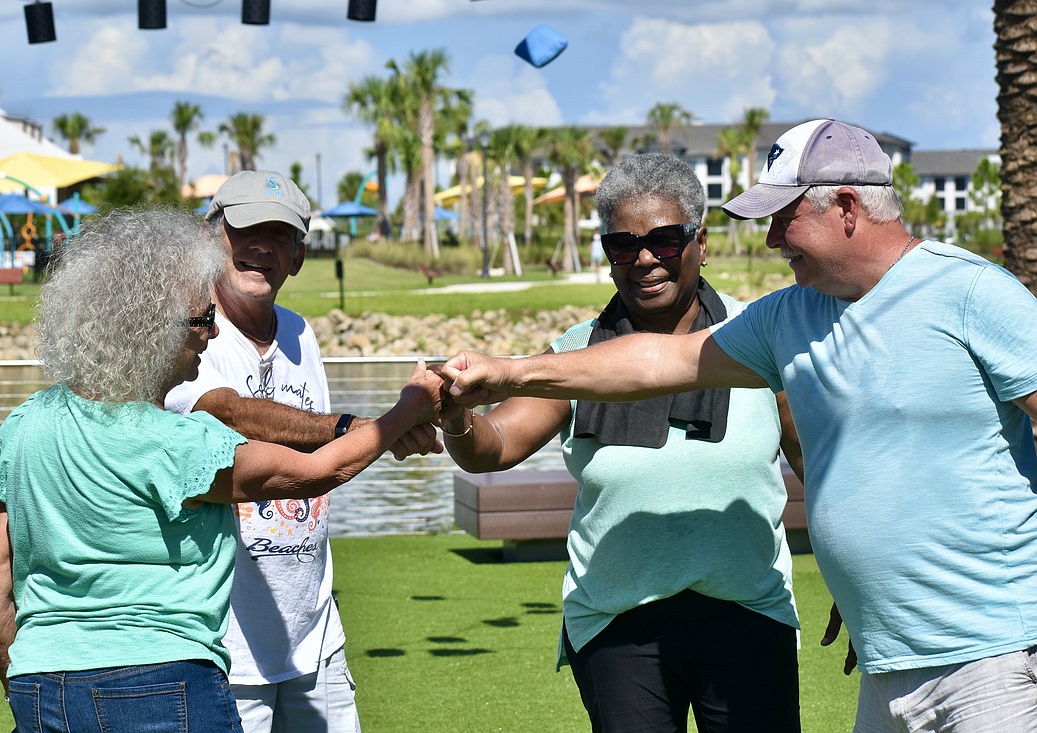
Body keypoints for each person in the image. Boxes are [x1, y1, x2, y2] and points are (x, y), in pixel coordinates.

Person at [441, 119, 1037, 732]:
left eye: (784, 216)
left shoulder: (971, 292)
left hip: (992, 658)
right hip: (890, 663)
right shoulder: (788, 316)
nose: (774, 237)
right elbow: (656, 360)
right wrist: (508, 373)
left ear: (849, 207)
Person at [0, 207, 443, 732]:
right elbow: (318, 473)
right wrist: (408, 410)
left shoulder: (26, 424)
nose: (213, 334)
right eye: (201, 320)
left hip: (42, 687)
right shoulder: (178, 444)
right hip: (164, 686)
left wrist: (28, 686)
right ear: (146, 330)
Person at [439, 152, 804, 732]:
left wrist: (860, 578)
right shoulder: (576, 354)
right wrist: (457, 414)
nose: (644, 259)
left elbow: (820, 467)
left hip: (748, 610)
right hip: (616, 621)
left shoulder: (755, 338)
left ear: (700, 243)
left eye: (664, 239)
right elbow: (494, 446)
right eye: (622, 244)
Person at [163, 170, 436, 733]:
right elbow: (228, 412)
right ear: (209, 237)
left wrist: (382, 430)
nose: (260, 246)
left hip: (315, 635)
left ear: (299, 257)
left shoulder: (300, 333)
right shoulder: (186, 333)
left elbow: (321, 446)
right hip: (223, 644)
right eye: (244, 229)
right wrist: (369, 426)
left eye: (280, 235)